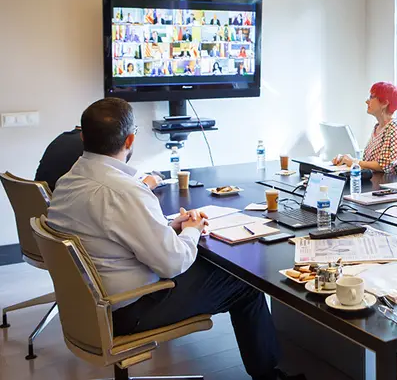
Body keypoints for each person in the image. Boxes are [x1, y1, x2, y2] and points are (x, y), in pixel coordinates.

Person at [47, 98, 287, 380]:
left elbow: (110, 233)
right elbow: (172, 263)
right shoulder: (123, 191)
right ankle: (269, 376)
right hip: (128, 308)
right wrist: (193, 229)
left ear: (84, 137)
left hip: (88, 306)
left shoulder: (69, 180)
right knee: (244, 281)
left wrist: (169, 226)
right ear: (130, 139)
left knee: (215, 268)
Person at [332, 82, 397, 174]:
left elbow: (385, 164)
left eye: (371, 97)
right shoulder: (378, 127)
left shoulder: (393, 128)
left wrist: (354, 162)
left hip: (382, 183)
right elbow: (369, 161)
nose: (367, 101)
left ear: (384, 103)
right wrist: (345, 159)